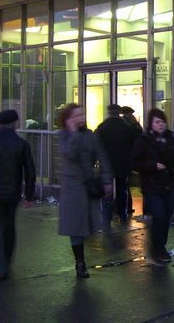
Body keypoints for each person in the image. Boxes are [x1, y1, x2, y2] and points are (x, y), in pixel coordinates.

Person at [57, 104, 113, 278]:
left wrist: (106, 180)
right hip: (72, 189)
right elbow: (69, 154)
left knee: (89, 225)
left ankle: (81, 258)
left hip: (88, 186)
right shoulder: (64, 135)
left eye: (82, 114)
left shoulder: (90, 135)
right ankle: (80, 262)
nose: (80, 118)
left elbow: (102, 156)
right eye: (76, 115)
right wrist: (73, 134)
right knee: (76, 227)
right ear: (67, 119)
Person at [131, 108, 174, 265]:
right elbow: (135, 162)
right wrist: (153, 165)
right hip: (151, 185)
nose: (161, 125)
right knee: (160, 215)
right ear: (151, 124)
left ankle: (160, 245)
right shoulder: (143, 140)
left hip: (168, 184)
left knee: (166, 216)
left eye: (162, 122)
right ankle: (158, 249)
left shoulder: (169, 137)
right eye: (157, 122)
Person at [0, 110, 36, 282]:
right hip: (12, 194)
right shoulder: (21, 144)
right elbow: (30, 171)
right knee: (9, 228)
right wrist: (29, 196)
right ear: (15, 123)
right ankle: (6, 262)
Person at [95, 104, 138, 225]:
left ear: (109, 112)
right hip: (123, 164)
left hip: (107, 165)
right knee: (122, 190)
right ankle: (122, 215)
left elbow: (96, 145)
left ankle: (106, 218)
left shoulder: (102, 127)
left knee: (107, 192)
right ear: (119, 112)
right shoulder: (126, 127)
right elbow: (135, 143)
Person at [120, 105, 142, 213]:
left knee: (123, 184)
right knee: (125, 184)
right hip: (130, 157)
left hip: (124, 157)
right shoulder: (132, 123)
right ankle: (127, 207)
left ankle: (124, 207)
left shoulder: (122, 123)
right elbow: (140, 135)